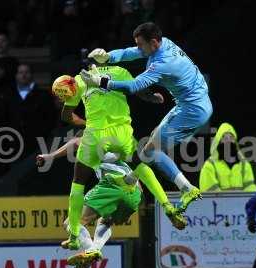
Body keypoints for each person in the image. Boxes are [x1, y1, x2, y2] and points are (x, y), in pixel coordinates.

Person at [82, 22, 213, 212]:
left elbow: (133, 86)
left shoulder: (162, 64)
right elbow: (131, 53)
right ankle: (131, 180)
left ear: (153, 43)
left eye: (141, 44)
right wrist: (109, 56)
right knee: (150, 144)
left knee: (151, 151)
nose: (139, 48)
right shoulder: (164, 42)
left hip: (192, 111)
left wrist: (101, 82)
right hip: (195, 103)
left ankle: (188, 189)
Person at [54, 64, 186, 250]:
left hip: (106, 170)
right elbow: (136, 88)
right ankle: (167, 206)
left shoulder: (79, 80)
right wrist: (152, 97)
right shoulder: (119, 71)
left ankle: (77, 237)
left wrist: (79, 119)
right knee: (139, 168)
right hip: (133, 184)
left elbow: (67, 118)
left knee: (77, 186)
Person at [36, 135, 142, 268]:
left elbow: (75, 142)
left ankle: (91, 250)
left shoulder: (95, 143)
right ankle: (93, 251)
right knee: (105, 220)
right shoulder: (118, 149)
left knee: (70, 223)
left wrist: (49, 156)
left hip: (113, 185)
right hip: (136, 194)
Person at [12, 63, 58, 156]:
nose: (24, 75)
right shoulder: (10, 95)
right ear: (16, 75)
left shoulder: (43, 96)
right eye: (21, 72)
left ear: (32, 75)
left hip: (37, 142)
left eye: (26, 72)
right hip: (14, 142)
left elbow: (50, 117)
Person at [199, 122, 256, 192]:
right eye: (224, 138)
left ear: (235, 142)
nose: (228, 141)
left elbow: (251, 190)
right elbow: (209, 192)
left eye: (231, 137)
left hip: (241, 203)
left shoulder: (244, 165)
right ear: (219, 142)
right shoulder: (209, 166)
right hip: (218, 203)